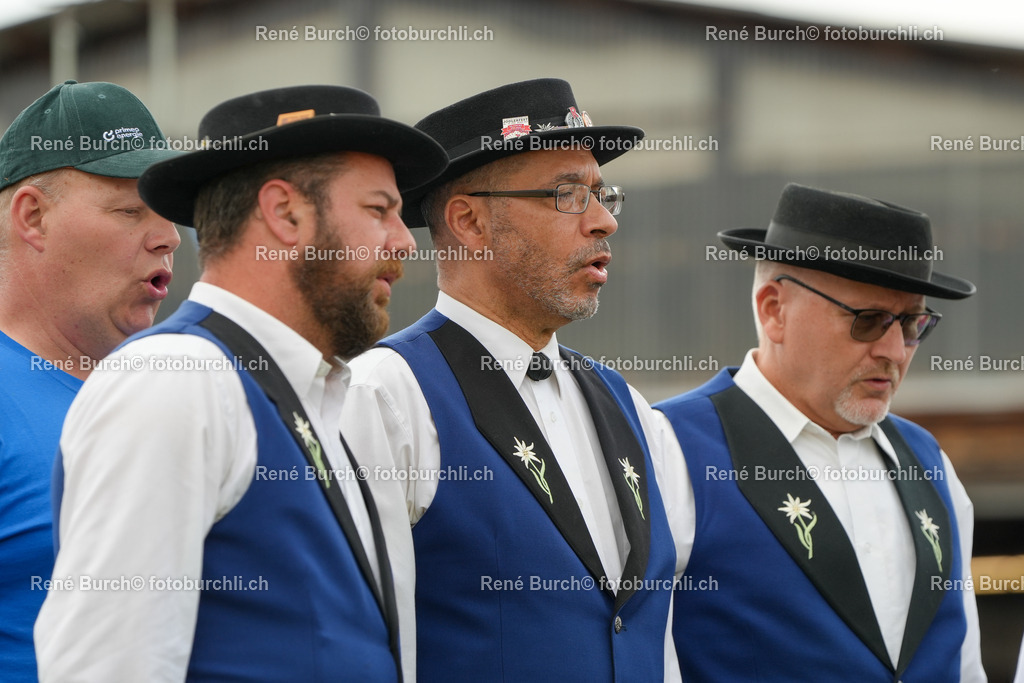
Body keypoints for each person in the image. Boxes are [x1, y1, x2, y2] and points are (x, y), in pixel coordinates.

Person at [34, 85, 447, 682]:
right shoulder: (176, 383)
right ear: (284, 213)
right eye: (380, 210)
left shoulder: (324, 398)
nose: (406, 241)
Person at [341, 78, 687, 681]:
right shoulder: (385, 394)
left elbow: (653, 642)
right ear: (470, 222)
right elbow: (355, 644)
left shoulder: (629, 406)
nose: (604, 221)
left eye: (604, 195)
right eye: (567, 194)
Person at [655, 182, 986, 681]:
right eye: (869, 320)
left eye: (914, 324)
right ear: (774, 309)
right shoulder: (668, 446)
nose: (895, 352)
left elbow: (963, 664)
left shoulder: (929, 461)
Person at [0, 80, 180, 682]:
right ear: (34, 216)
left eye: (168, 214)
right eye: (130, 210)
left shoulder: (169, 395)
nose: (170, 237)